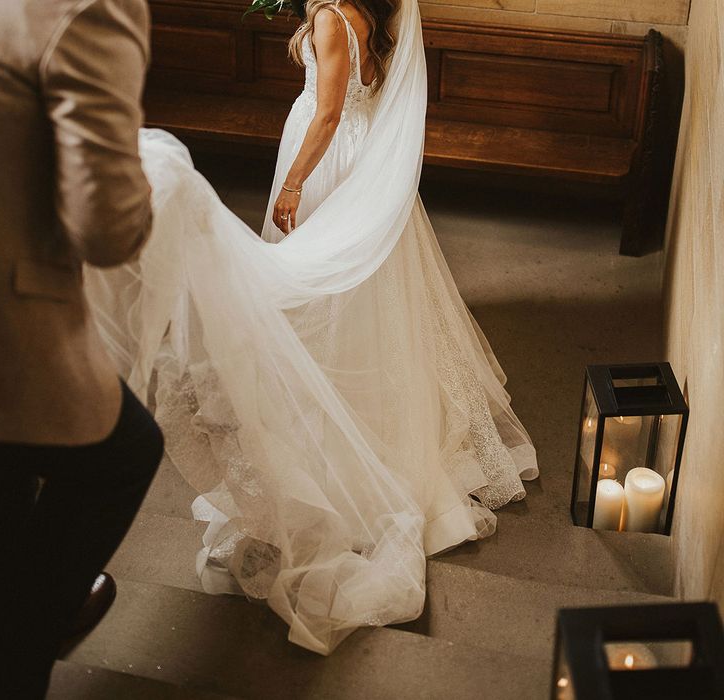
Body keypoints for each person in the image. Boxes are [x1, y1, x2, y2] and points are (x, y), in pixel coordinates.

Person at [87, 0, 538, 656]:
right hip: (359, 159)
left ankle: (332, 416)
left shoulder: (332, 16)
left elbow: (327, 111)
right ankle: (364, 405)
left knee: (319, 297)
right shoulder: (366, 15)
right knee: (366, 300)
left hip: (328, 163)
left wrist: (295, 182)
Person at [0, 1, 163, 696]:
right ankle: (4, 657)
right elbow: (104, 228)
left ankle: (26, 608)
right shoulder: (92, 8)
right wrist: (145, 183)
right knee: (127, 454)